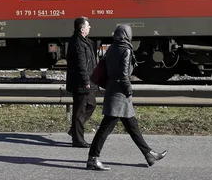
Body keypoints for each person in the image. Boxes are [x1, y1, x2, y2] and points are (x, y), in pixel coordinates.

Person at [86, 24, 167, 170]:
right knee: (105, 128)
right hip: (120, 95)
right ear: (127, 35)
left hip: (112, 90)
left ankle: (149, 154)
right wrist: (129, 90)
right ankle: (93, 158)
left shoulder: (111, 48)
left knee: (132, 126)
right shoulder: (126, 50)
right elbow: (124, 75)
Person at [65, 16, 98, 148]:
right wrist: (86, 80)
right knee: (79, 110)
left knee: (91, 104)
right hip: (81, 82)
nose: (90, 27)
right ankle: (78, 139)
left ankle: (75, 130)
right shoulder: (78, 43)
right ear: (82, 29)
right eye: (88, 25)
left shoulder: (84, 41)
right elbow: (81, 64)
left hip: (85, 80)